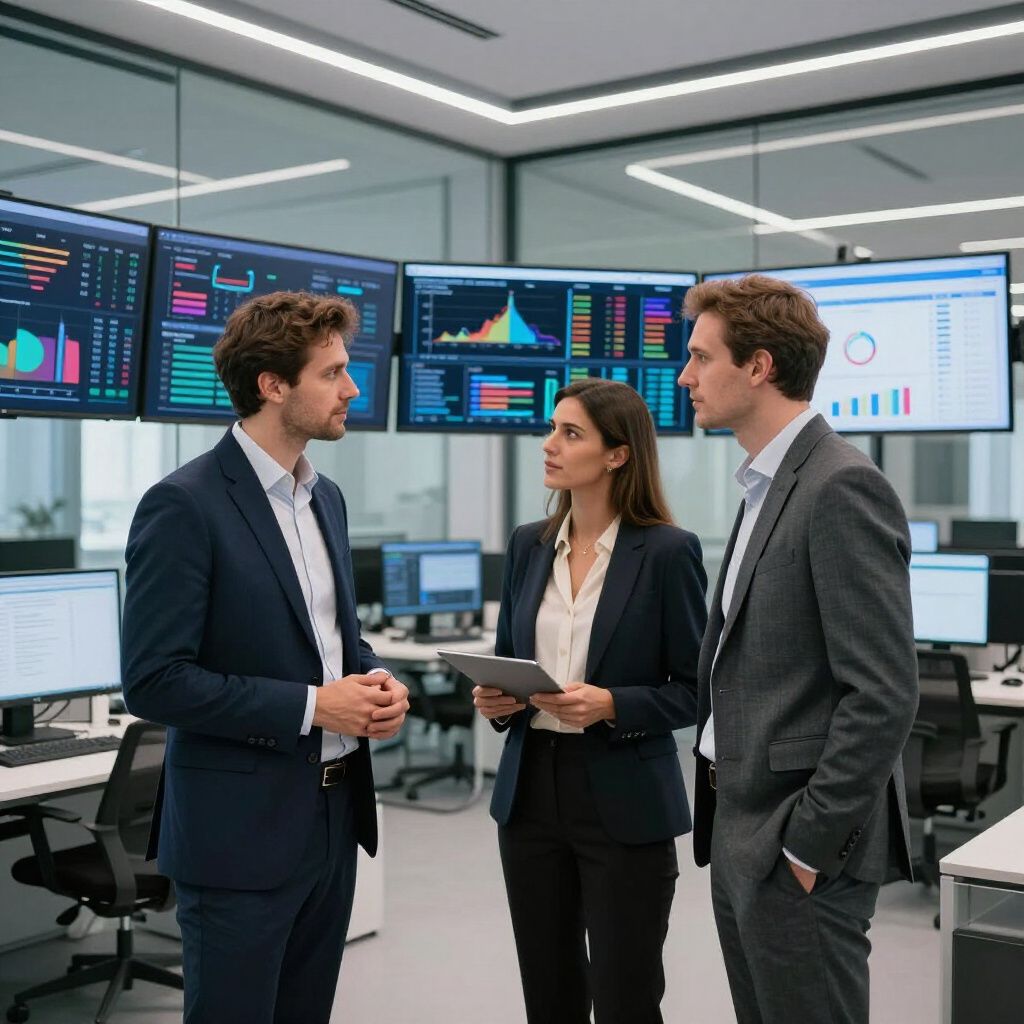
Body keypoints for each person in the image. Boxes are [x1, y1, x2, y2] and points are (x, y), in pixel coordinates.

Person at [121, 291, 409, 1024]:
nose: (352, 391)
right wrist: (316, 706)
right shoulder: (183, 504)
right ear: (272, 385)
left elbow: (331, 640)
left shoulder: (326, 498)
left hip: (333, 817)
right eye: (333, 373)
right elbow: (156, 681)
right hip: (239, 831)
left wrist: (373, 680)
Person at [678, 275, 918, 1024]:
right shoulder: (764, 484)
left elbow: (882, 693)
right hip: (739, 827)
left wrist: (809, 846)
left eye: (700, 357)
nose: (686, 376)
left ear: (758, 366)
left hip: (795, 841)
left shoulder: (840, 486)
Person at [473, 377, 708, 1024]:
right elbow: (507, 661)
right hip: (530, 795)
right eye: (551, 428)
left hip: (624, 795)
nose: (549, 444)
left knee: (627, 995)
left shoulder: (667, 553)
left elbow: (696, 691)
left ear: (617, 454)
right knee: (548, 992)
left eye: (570, 433)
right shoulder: (528, 544)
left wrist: (613, 705)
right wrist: (496, 699)